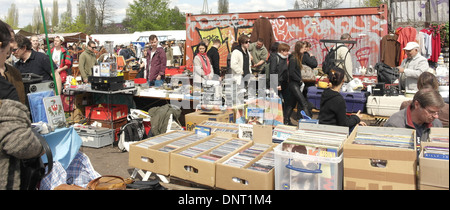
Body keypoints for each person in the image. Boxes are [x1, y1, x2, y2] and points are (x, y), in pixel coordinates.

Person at [384, 88, 444, 154]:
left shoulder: (436, 124)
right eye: (431, 112)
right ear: (417, 105)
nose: (436, 116)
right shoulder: (395, 125)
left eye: (438, 112)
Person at [285, 41, 312, 123]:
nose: (305, 50)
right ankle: (309, 122)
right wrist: (299, 80)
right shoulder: (293, 58)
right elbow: (291, 73)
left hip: (295, 83)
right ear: (299, 48)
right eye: (303, 48)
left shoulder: (298, 57)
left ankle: (286, 120)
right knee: (303, 103)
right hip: (294, 84)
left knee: (292, 104)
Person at [0, 20, 25, 105]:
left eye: (12, 40)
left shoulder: (15, 73)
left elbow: (21, 102)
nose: (11, 45)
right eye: (8, 41)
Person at [268, 43, 290, 124]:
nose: (287, 52)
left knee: (285, 102)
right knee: (277, 102)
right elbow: (272, 72)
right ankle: (276, 120)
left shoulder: (285, 58)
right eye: (286, 51)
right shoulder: (275, 58)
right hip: (276, 84)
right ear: (281, 51)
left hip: (284, 84)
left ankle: (282, 119)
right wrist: (276, 84)